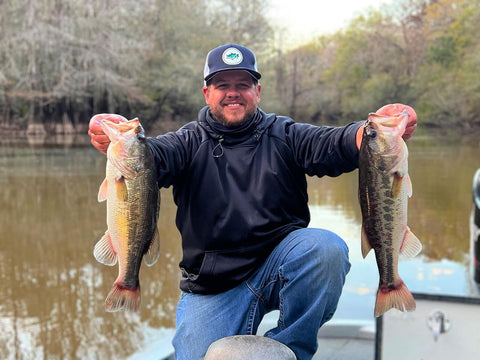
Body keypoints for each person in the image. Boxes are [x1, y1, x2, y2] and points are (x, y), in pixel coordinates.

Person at [88, 43, 417, 359]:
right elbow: (152, 158)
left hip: (280, 267)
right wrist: (112, 134)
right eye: (222, 84)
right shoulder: (187, 141)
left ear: (257, 92)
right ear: (207, 93)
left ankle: (290, 352)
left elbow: (335, 143)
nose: (233, 92)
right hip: (212, 286)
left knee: (325, 248)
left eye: (243, 84)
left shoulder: (285, 134)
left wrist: (374, 132)